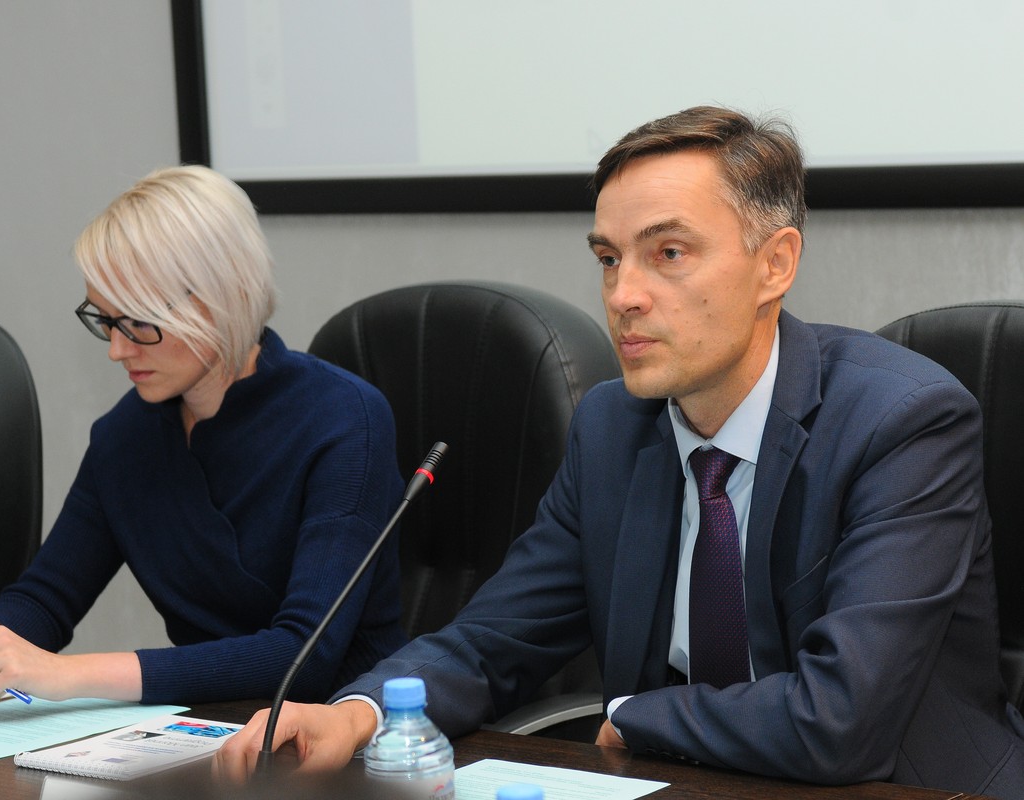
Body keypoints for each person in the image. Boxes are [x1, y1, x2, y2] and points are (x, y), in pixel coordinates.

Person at [216, 107, 1024, 797]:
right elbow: (493, 640)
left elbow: (839, 719)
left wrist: (635, 716)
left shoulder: (902, 423)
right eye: (609, 258)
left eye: (668, 253)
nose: (623, 295)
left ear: (774, 264)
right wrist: (357, 715)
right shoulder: (612, 426)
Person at [0, 165, 407, 705]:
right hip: (201, 729)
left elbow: (302, 657)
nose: (116, 350)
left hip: (345, 727)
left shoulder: (344, 418)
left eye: (138, 323)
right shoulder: (127, 437)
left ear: (223, 297)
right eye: (106, 321)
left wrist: (67, 673)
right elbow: (46, 598)